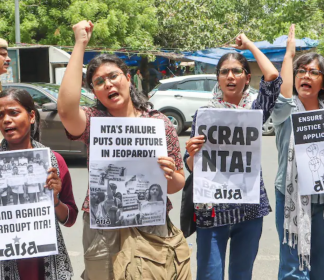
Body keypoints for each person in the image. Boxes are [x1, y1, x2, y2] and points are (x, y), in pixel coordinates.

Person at [58, 20, 190, 280]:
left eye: (113, 77)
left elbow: (177, 184)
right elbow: (65, 109)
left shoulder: (158, 123)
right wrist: (80, 44)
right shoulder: (94, 122)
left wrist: (168, 175)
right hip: (103, 226)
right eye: (98, 82)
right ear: (94, 91)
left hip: (150, 223)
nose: (108, 84)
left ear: (128, 79)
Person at [184, 33, 281, 280]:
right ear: (217, 78)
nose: (230, 76)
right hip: (212, 210)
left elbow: (272, 78)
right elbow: (192, 166)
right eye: (224, 71)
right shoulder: (204, 115)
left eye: (237, 71)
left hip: (249, 211)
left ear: (247, 78)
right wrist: (192, 153)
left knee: (242, 275)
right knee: (209, 275)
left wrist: (249, 45)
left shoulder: (255, 111)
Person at [271, 25, 324, 279]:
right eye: (301, 71)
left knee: (321, 266)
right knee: (292, 269)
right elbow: (283, 96)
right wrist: (289, 56)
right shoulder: (285, 111)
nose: (305, 76)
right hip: (290, 197)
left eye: (313, 72)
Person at [0, 88, 78, 279]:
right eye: (0, 115)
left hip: (47, 265)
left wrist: (55, 200)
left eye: (14, 112)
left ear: (32, 116)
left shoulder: (54, 162)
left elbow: (70, 219)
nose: (6, 120)